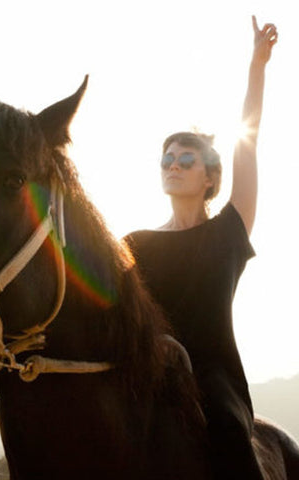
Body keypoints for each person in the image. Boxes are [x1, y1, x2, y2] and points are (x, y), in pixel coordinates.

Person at [124, 16, 278, 480]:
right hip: (145, 375)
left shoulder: (228, 232)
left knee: (230, 432)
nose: (173, 165)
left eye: (185, 159)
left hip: (213, 377)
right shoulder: (134, 245)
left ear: (208, 177)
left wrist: (257, 68)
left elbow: (246, 148)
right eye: (167, 159)